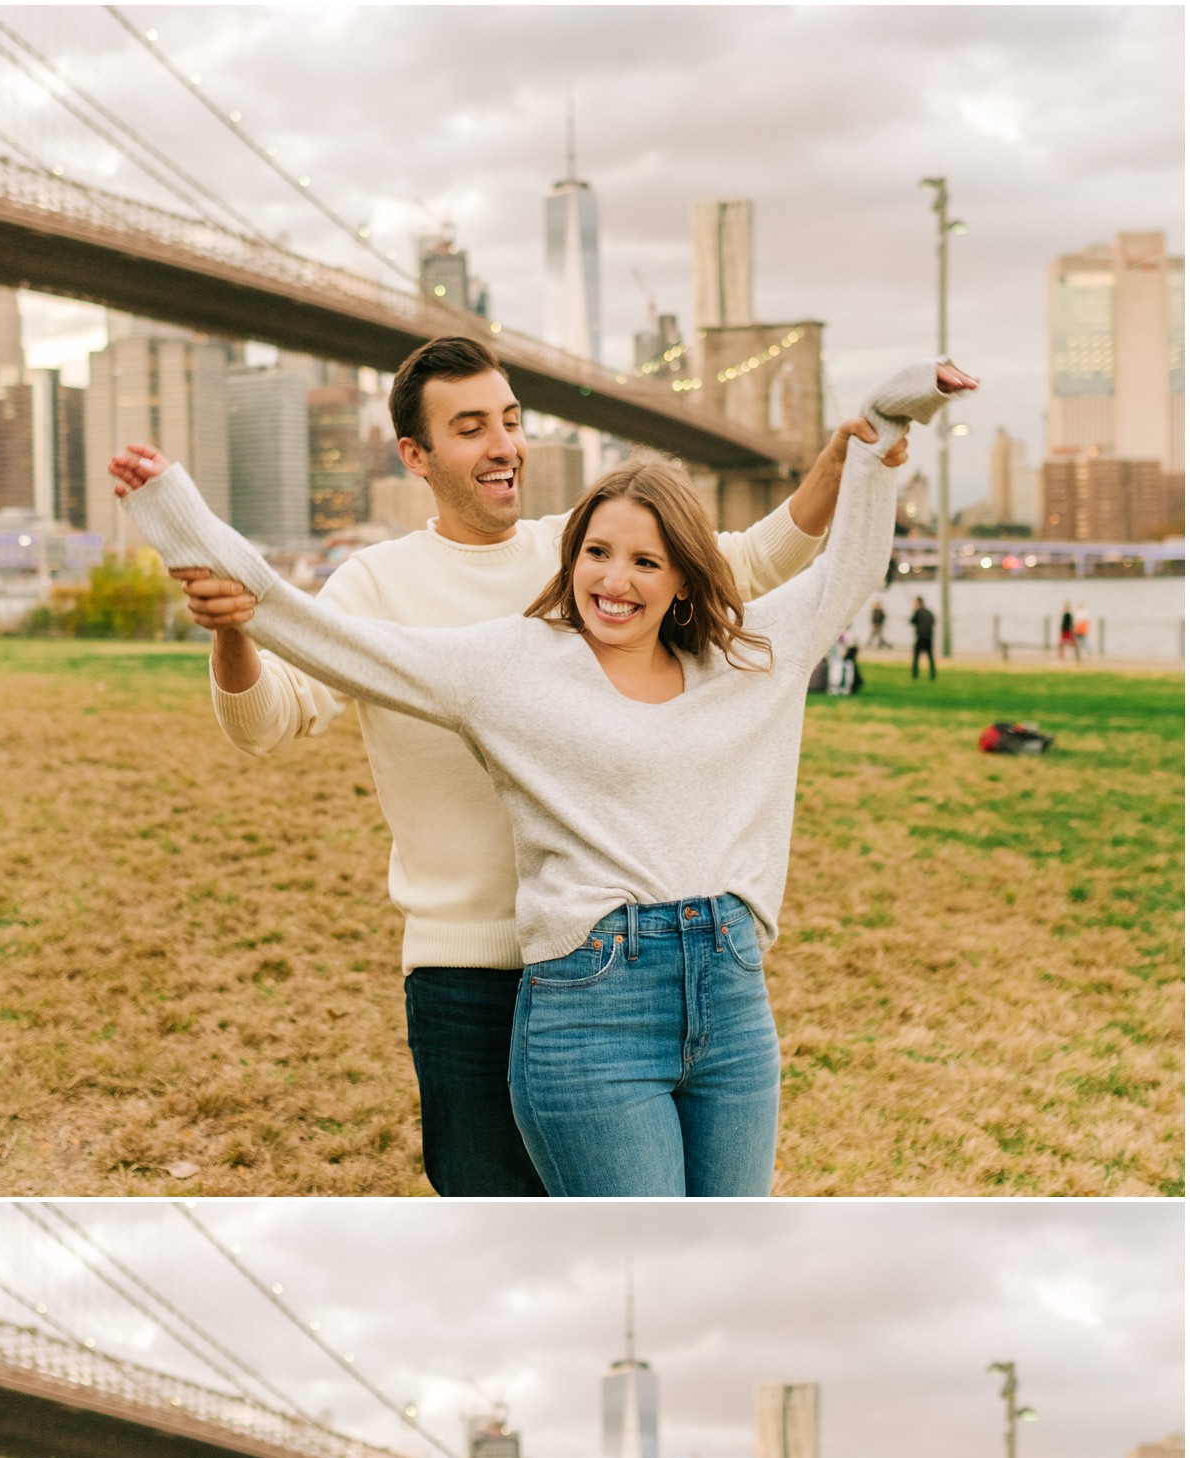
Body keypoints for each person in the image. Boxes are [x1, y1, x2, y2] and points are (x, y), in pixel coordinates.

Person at [114, 358, 976, 1198]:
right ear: (413, 455)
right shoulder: (408, 598)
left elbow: (753, 563)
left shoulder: (587, 557)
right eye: (471, 427)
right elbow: (281, 696)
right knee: (507, 1223)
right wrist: (230, 615)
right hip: (478, 967)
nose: (505, 445)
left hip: (693, 971)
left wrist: (860, 451)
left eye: (513, 420)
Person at [910, 597, 936, 679]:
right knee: (930, 657)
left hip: (920, 638)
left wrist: (914, 611)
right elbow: (933, 621)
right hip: (929, 637)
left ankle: (915, 675)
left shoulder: (917, 612)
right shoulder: (929, 612)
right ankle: (933, 675)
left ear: (918, 603)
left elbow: (912, 621)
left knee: (916, 658)